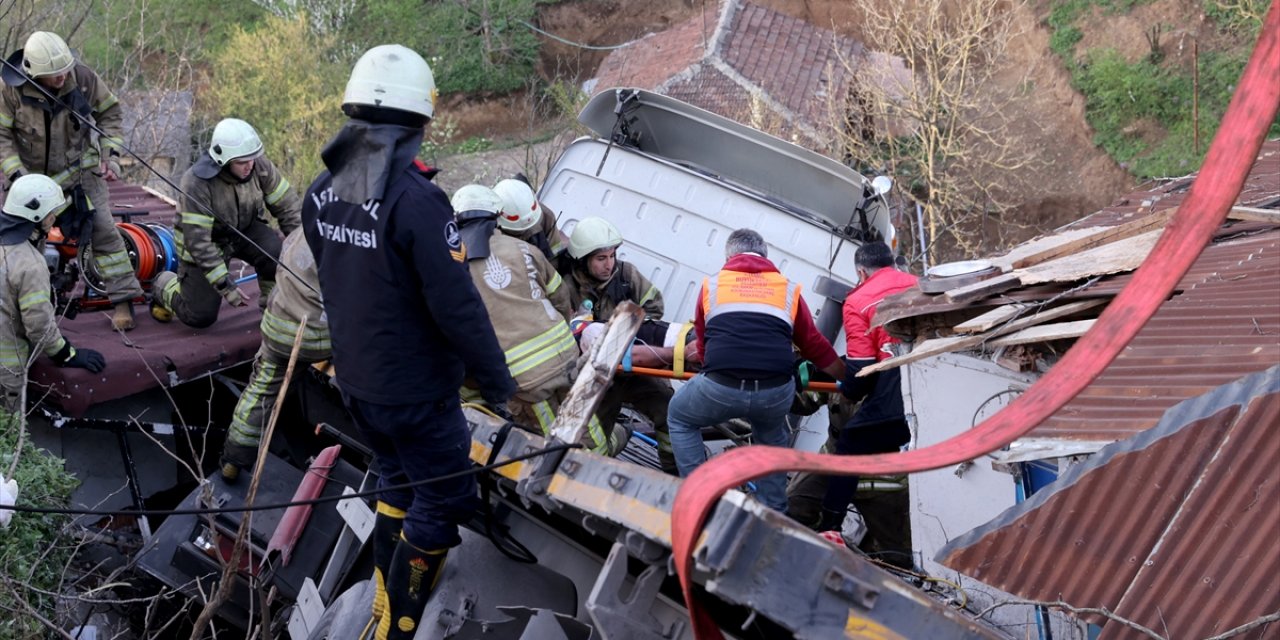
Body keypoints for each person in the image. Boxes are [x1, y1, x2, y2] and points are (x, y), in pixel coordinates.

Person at [301, 45, 515, 640]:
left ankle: (380, 604)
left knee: (396, 480)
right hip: (417, 394)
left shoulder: (320, 192)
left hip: (360, 389)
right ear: (420, 121)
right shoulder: (418, 202)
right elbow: (458, 307)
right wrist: (498, 383)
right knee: (442, 501)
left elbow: (339, 275)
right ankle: (400, 626)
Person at [667, 228, 845, 511]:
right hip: (774, 393)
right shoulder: (788, 290)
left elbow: (704, 348)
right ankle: (773, 509)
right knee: (772, 439)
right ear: (765, 256)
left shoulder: (711, 286)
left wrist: (696, 357)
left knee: (679, 417)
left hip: (720, 386)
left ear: (729, 256)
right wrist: (847, 378)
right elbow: (814, 345)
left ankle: (698, 499)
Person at [452, 184, 625, 454]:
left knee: (551, 448)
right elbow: (560, 297)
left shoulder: (455, 265)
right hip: (565, 356)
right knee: (582, 422)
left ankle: (574, 481)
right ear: (497, 215)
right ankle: (605, 456)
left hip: (525, 379)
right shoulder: (524, 249)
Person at [0, 31, 142, 331]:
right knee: (22, 242)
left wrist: (111, 154)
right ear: (34, 74)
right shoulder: (9, 91)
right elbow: (1, 137)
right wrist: (17, 176)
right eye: (55, 75)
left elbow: (111, 114)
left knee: (104, 231)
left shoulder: (83, 78)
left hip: (79, 172)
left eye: (65, 70)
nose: (63, 77)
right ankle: (22, 312)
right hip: (30, 178)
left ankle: (123, 300)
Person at [151, 118, 301, 328]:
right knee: (199, 316)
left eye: (252, 158)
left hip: (245, 230)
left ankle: (271, 308)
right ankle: (163, 284)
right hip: (207, 243)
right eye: (241, 162)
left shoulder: (259, 166)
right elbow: (198, 242)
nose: (250, 165)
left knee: (275, 251)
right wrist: (224, 284)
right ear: (223, 160)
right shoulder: (196, 183)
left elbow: (289, 209)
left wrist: (304, 251)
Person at [817, 241, 918, 532]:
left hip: (895, 385)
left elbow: (861, 367)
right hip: (931, 377)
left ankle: (830, 527)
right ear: (891, 263)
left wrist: (850, 391)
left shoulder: (858, 300)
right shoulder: (917, 284)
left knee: (850, 442)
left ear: (861, 272)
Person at [562, 216, 676, 472]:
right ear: (583, 259)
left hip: (635, 369)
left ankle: (674, 469)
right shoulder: (568, 287)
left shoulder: (627, 275)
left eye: (611, 256)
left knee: (669, 411)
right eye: (601, 258)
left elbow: (654, 308)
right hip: (598, 374)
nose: (609, 264)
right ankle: (595, 471)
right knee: (593, 434)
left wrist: (626, 334)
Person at [219, 229, 327, 482]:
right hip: (325, 337)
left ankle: (233, 462)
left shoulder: (303, 231)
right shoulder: (361, 239)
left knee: (262, 391)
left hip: (279, 328)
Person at [1, 174, 105, 412]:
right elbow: (38, 326)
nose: (54, 218)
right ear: (36, 216)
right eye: (51, 213)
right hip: (5, 373)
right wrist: (66, 354)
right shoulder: (30, 264)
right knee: (7, 439)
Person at [492, 177, 567, 260]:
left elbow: (556, 252)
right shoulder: (491, 233)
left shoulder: (547, 217)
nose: (525, 231)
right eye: (517, 231)